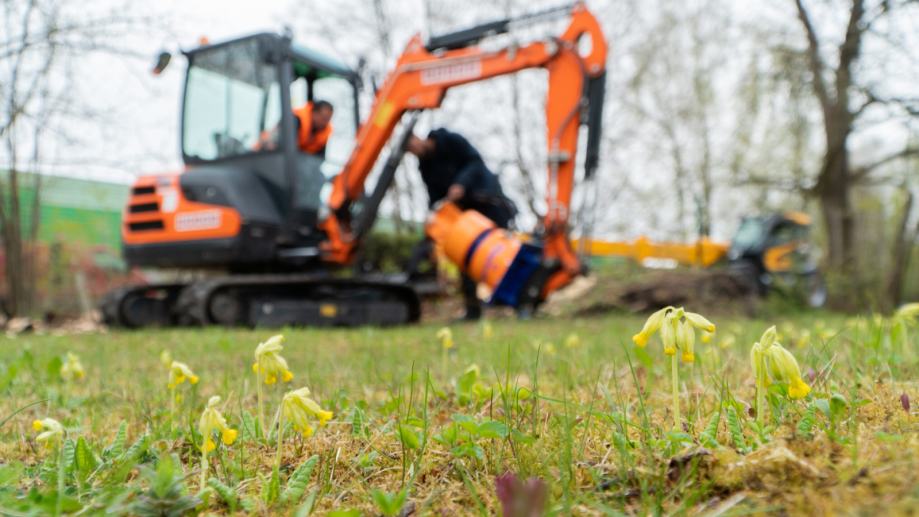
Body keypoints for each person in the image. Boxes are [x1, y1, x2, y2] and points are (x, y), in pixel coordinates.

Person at [405, 127, 516, 321]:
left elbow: (475, 161)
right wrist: (433, 218)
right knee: (465, 257)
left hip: (487, 203)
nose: (413, 151)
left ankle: (518, 299)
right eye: (408, 151)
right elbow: (434, 197)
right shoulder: (425, 167)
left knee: (501, 252)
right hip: (464, 217)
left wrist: (461, 183)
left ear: (416, 137)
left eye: (411, 145)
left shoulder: (449, 140)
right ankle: (473, 310)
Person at [256, 100, 334, 156]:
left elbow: (318, 159)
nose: (325, 122)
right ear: (314, 113)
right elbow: (276, 144)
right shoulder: (295, 119)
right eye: (323, 118)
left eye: (328, 119)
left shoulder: (323, 133)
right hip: (262, 156)